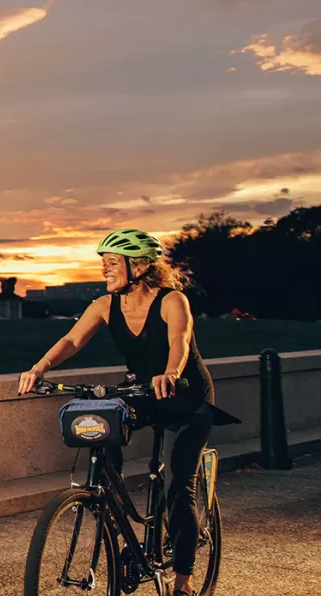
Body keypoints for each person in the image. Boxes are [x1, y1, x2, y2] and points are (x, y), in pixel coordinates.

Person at [17, 229, 217, 596]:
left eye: (112, 263)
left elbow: (180, 341)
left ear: (138, 265)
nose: (105, 270)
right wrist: (39, 367)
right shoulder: (105, 305)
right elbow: (72, 340)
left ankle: (184, 580)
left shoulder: (173, 300)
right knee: (100, 425)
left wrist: (171, 372)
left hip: (187, 399)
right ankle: (107, 499)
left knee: (177, 486)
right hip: (142, 393)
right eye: (103, 263)